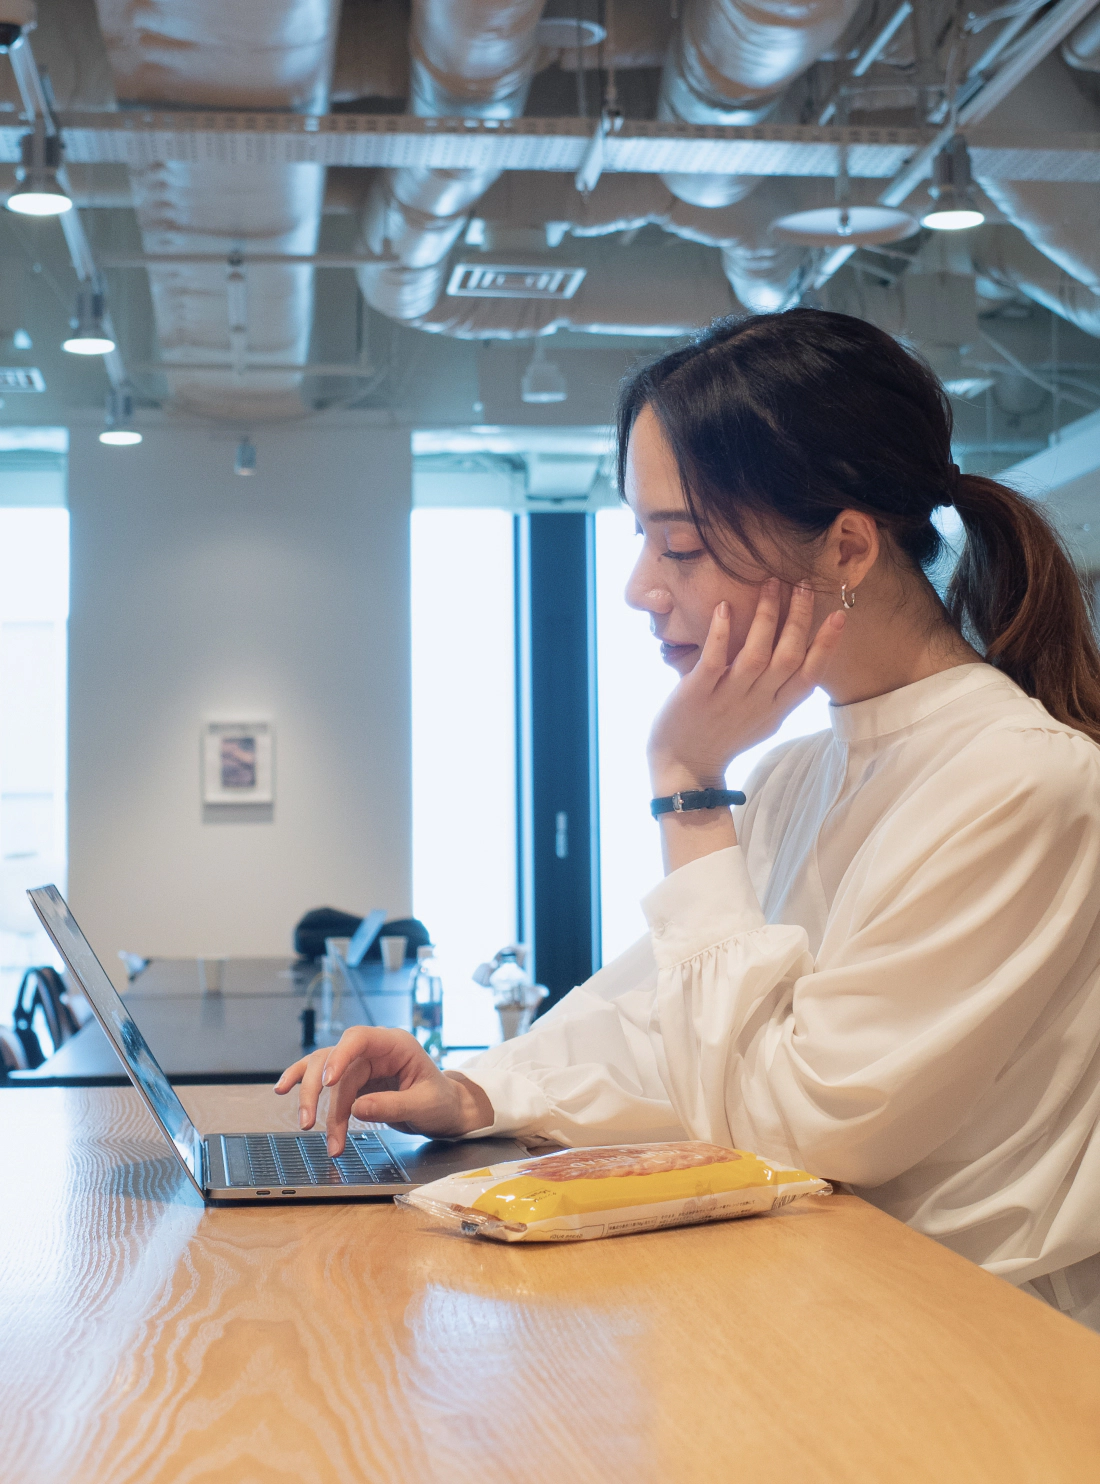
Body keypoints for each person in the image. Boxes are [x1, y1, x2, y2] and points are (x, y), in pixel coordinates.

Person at [277, 310, 1100, 1328]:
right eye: (640, 537)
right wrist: (471, 1089)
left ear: (845, 544)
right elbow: (665, 1017)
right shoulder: (808, 767)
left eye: (680, 543)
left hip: (966, 1341)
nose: (636, 587)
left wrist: (687, 783)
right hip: (821, 1306)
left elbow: (800, 1123)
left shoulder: (1022, 782)